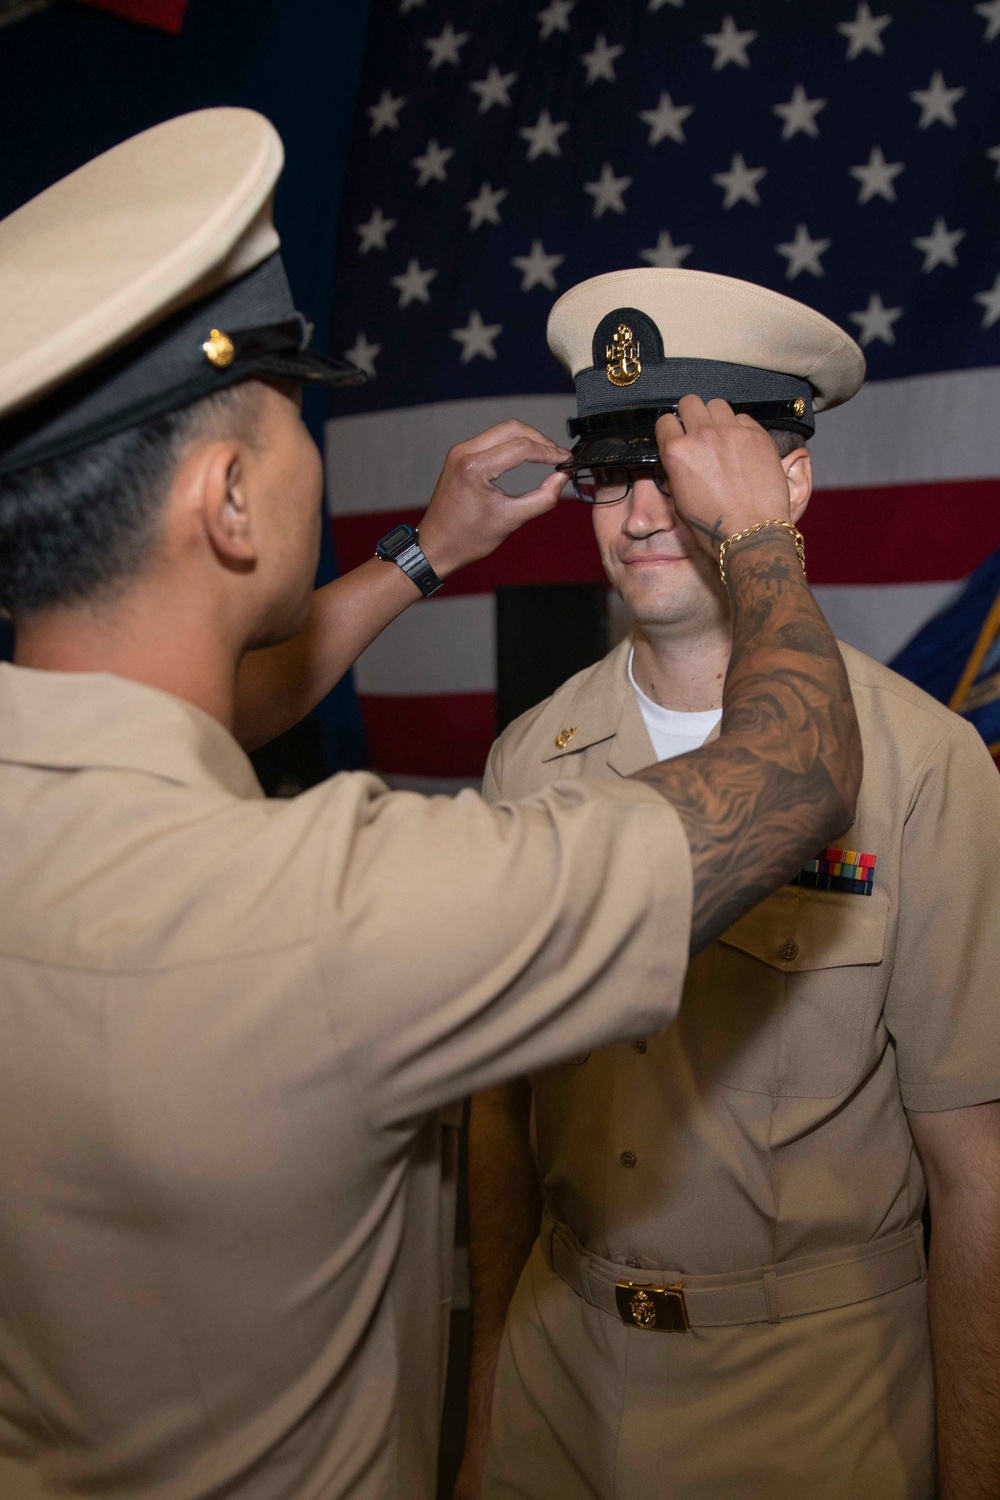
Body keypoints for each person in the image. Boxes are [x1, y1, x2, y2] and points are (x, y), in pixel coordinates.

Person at [0, 115, 861, 1500]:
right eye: (292, 415)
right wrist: (759, 535)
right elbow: (804, 771)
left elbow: (192, 708)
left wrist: (427, 552)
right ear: (230, 501)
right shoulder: (328, 918)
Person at [455, 268, 1000, 1500]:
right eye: (610, 471)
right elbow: (501, 1120)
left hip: (814, 1409)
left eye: (680, 463)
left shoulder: (920, 765)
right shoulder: (528, 761)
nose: (640, 512)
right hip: (560, 1378)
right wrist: (487, 1397)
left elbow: (978, 1175)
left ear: (784, 484)